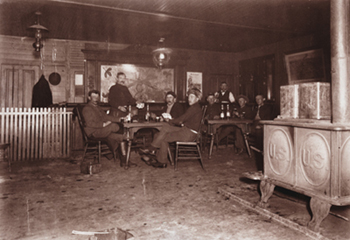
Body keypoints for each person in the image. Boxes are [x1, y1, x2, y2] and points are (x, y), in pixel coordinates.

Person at [140, 88, 203, 166]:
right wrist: (169, 121)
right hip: (185, 130)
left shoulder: (194, 108)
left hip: (189, 134)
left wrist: (169, 121)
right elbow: (182, 120)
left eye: (192, 97)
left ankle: (159, 158)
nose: (189, 99)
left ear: (197, 98)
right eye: (189, 97)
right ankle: (153, 151)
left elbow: (181, 119)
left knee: (164, 137)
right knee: (165, 128)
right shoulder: (194, 107)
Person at [82, 90, 136, 168]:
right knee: (115, 126)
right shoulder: (87, 108)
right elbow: (89, 123)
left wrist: (120, 119)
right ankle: (116, 148)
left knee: (121, 138)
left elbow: (106, 117)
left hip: (102, 131)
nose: (95, 99)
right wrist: (103, 124)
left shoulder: (98, 107)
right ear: (89, 97)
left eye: (97, 97)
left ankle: (125, 161)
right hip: (94, 132)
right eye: (93, 97)